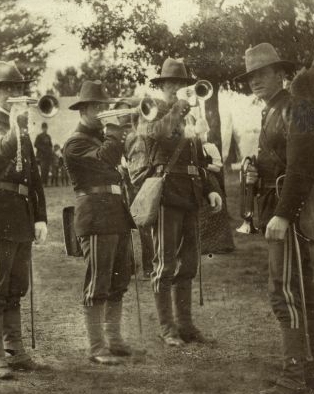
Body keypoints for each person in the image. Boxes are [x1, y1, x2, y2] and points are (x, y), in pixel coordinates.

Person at [234, 43, 314, 394]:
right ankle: (309, 370)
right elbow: (282, 161)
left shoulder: (299, 107)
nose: (255, 81)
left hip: (290, 214)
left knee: (285, 292)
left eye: (263, 73)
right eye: (251, 76)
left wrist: (284, 215)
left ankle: (293, 377)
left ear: (280, 73)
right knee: (305, 293)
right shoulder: (272, 110)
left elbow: (302, 166)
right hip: (278, 209)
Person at [0, 61, 48, 379]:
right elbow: (3, 151)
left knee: (17, 287)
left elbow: (34, 178)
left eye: (17, 89)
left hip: (20, 214)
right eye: (6, 90)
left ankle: (15, 351)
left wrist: (40, 217)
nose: (13, 95)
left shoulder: (24, 129)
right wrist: (18, 126)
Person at [142, 58, 222, 347]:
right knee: (164, 263)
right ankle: (167, 328)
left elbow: (200, 158)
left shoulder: (187, 115)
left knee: (188, 263)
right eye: (171, 84)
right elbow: (159, 135)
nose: (176, 88)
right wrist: (179, 108)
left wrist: (210, 188)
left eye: (180, 84)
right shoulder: (152, 110)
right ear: (162, 86)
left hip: (189, 193)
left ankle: (185, 325)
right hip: (166, 193)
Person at [63, 80, 135, 365]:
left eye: (103, 106)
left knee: (120, 279)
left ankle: (114, 339)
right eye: (96, 107)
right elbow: (107, 158)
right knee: (98, 281)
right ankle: (96, 346)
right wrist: (115, 131)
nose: (102, 112)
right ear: (84, 109)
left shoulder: (101, 138)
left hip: (115, 212)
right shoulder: (75, 143)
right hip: (94, 214)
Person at [116, 99, 155, 279]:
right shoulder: (119, 134)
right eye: (120, 112)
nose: (122, 115)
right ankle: (130, 266)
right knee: (130, 225)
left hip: (145, 181)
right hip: (127, 183)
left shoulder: (143, 133)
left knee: (145, 225)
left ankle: (149, 266)